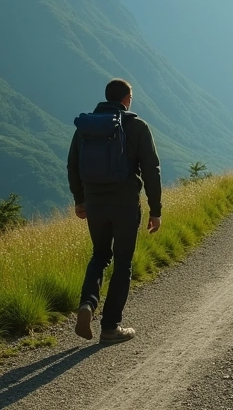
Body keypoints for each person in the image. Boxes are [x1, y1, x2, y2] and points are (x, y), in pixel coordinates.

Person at [67, 78, 162, 343]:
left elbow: (72, 165)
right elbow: (152, 170)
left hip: (95, 204)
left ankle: (87, 303)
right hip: (125, 205)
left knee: (99, 255)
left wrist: (80, 199)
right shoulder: (137, 126)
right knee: (122, 263)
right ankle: (110, 328)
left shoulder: (86, 127)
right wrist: (156, 209)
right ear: (127, 99)